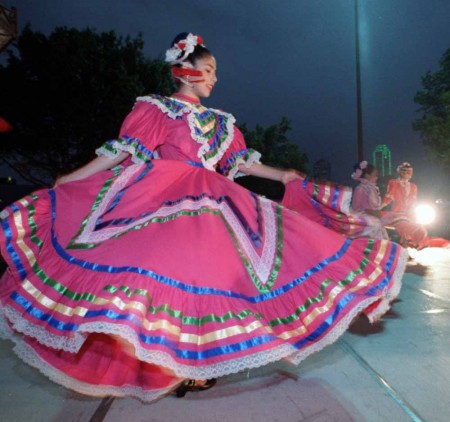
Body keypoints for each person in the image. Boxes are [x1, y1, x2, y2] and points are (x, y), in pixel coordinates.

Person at [0, 33, 407, 403]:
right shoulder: (156, 108)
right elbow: (121, 151)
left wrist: (281, 174)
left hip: (213, 203)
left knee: (211, 279)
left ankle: (191, 365)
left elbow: (238, 162)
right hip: (163, 198)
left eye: (215, 72)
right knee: (158, 279)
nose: (214, 79)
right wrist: (73, 177)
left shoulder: (221, 122)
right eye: (209, 70)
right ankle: (171, 363)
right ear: (185, 71)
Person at [381, 162, 449, 249]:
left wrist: (414, 213)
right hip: (397, 214)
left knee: (420, 229)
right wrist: (378, 208)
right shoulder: (393, 183)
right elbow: (388, 198)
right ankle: (405, 247)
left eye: (408, 171)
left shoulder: (413, 186)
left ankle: (415, 244)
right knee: (405, 227)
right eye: (404, 171)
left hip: (409, 214)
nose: (407, 173)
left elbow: (413, 202)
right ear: (400, 172)